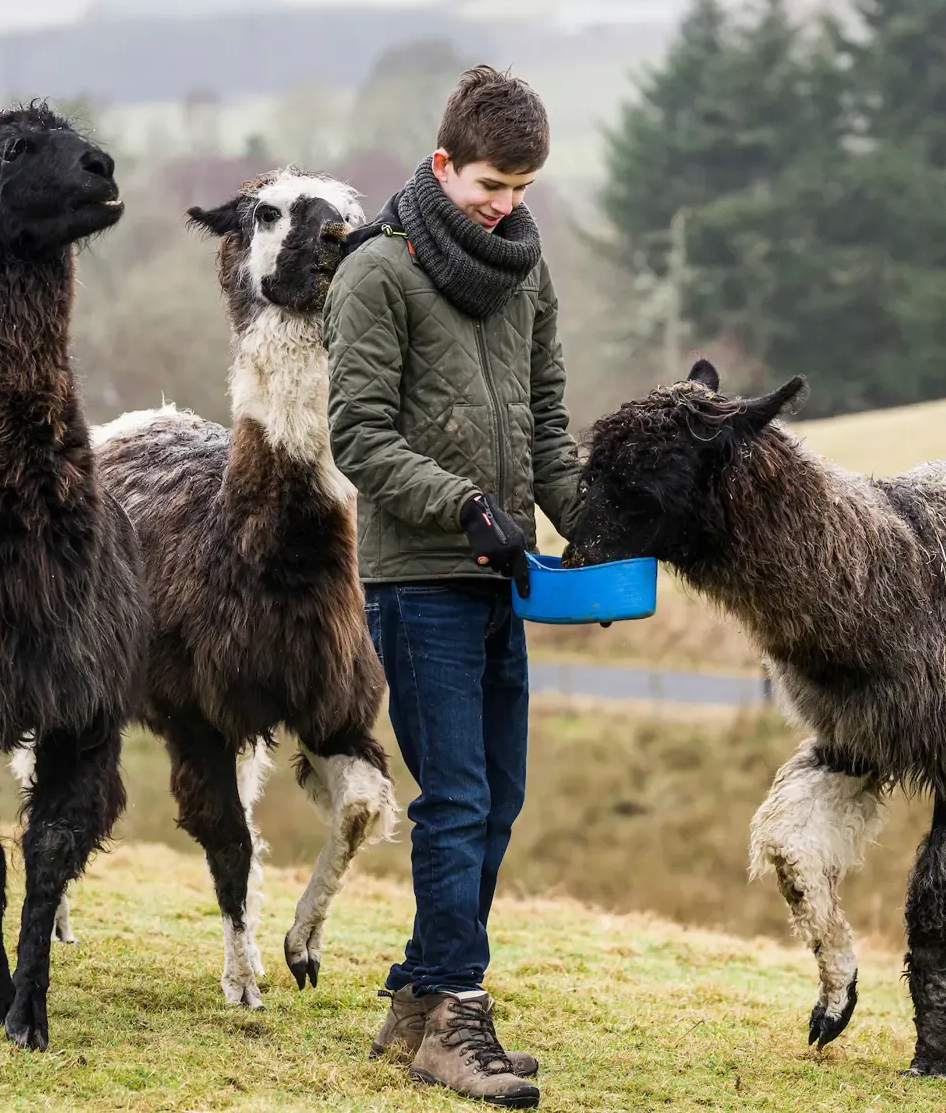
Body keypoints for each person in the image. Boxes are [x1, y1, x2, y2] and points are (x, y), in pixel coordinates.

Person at [325, 65, 580, 1109]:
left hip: (503, 577)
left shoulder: (527, 273)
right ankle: (456, 1021)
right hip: (418, 578)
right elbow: (360, 437)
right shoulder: (376, 275)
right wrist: (459, 500)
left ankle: (418, 997)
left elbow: (548, 424)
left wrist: (593, 523)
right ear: (443, 165)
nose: (505, 204)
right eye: (489, 183)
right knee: (459, 799)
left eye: (521, 188)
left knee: (500, 799)